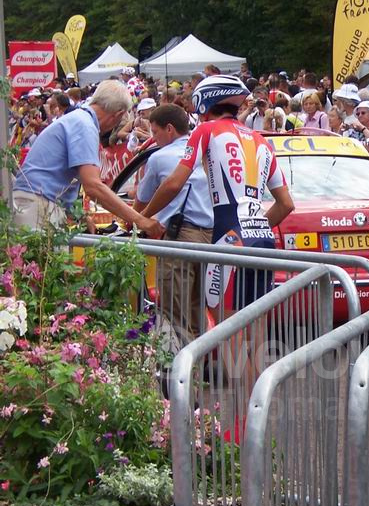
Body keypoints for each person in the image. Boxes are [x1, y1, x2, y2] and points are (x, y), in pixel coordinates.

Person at [141, 75, 294, 311]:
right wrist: (253, 225)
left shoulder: (206, 129)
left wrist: (141, 218)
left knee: (227, 326)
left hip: (228, 237)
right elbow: (286, 205)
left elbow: (174, 183)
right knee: (255, 316)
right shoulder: (260, 140)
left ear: (205, 103)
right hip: (261, 236)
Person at [12, 80, 163, 236]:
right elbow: (93, 186)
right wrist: (140, 220)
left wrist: (80, 216)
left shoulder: (78, 119)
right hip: (38, 205)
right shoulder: (85, 125)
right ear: (118, 115)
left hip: (35, 201)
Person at [133, 104, 214, 336]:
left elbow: (141, 199)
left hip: (179, 238)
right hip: (211, 238)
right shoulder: (205, 152)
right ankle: (201, 366)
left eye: (155, 132)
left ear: (169, 129)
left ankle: (183, 369)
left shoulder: (159, 158)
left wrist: (134, 219)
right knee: (200, 307)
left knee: (176, 312)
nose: (154, 138)